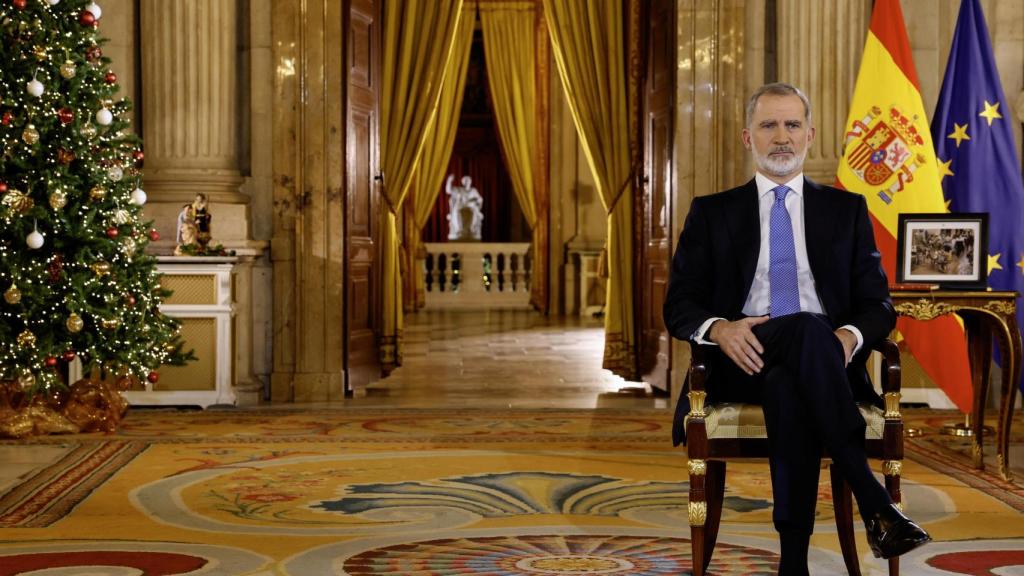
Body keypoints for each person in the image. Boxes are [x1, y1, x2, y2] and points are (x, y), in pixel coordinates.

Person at [663, 83, 930, 574]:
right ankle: (874, 500)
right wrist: (720, 328)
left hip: (823, 362)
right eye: (768, 125)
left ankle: (793, 564)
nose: (781, 137)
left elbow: (878, 305)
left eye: (791, 125)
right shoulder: (712, 211)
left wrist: (849, 337)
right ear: (748, 137)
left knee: (793, 379)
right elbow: (678, 303)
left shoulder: (845, 211)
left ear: (810, 135)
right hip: (739, 361)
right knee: (805, 327)